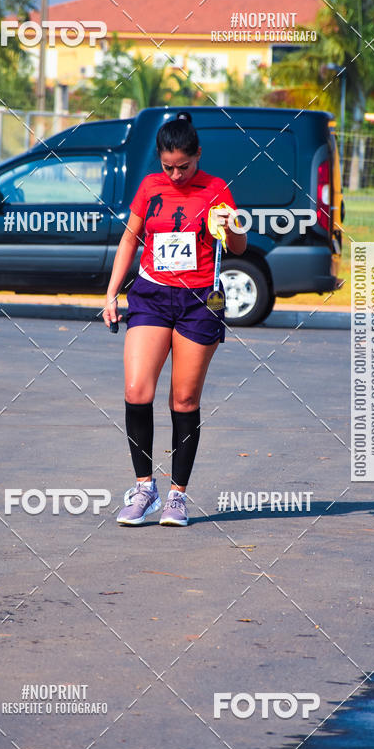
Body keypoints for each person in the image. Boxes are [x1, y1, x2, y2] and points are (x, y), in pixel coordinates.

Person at [102, 111, 246, 526]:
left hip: (200, 299)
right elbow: (130, 238)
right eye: (168, 166)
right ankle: (144, 489)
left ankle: (177, 497)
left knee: (183, 400)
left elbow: (237, 246)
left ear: (198, 155)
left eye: (184, 166)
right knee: (136, 389)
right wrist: (112, 292)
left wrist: (229, 225)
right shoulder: (150, 187)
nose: (177, 174)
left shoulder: (217, 189)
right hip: (151, 295)